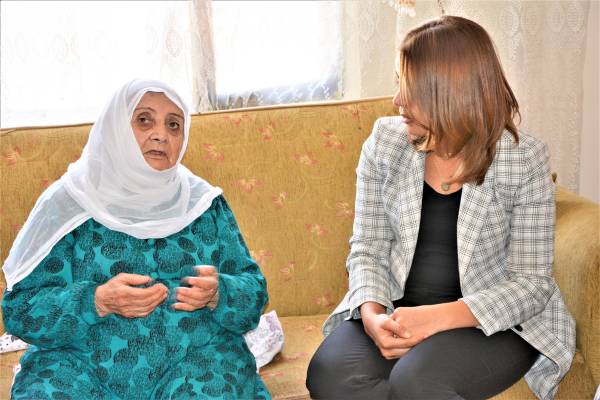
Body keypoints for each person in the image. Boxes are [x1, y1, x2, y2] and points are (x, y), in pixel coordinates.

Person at [306, 16, 575, 400]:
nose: (397, 100)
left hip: (489, 323)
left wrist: (436, 318)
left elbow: (532, 284)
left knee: (416, 382)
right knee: (329, 376)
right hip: (399, 307)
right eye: (398, 83)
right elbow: (368, 248)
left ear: (450, 94)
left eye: (410, 88)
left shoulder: (522, 159)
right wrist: (372, 317)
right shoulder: (385, 143)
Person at [2, 79, 270, 400]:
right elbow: (20, 310)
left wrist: (219, 292)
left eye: (174, 125)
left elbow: (254, 292)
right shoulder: (67, 203)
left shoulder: (204, 204)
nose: (161, 134)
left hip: (196, 360)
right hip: (79, 366)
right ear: (116, 128)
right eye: (144, 120)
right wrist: (96, 301)